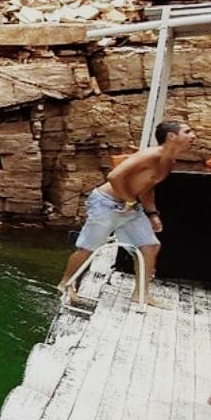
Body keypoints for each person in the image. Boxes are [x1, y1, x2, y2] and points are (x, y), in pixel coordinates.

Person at [58, 120, 197, 308]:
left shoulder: (169, 162)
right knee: (87, 248)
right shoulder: (150, 155)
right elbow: (114, 176)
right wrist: (130, 200)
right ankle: (65, 284)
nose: (193, 136)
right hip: (106, 203)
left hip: (130, 206)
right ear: (172, 136)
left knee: (150, 246)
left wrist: (152, 213)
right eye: (187, 132)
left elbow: (147, 189)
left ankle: (141, 294)